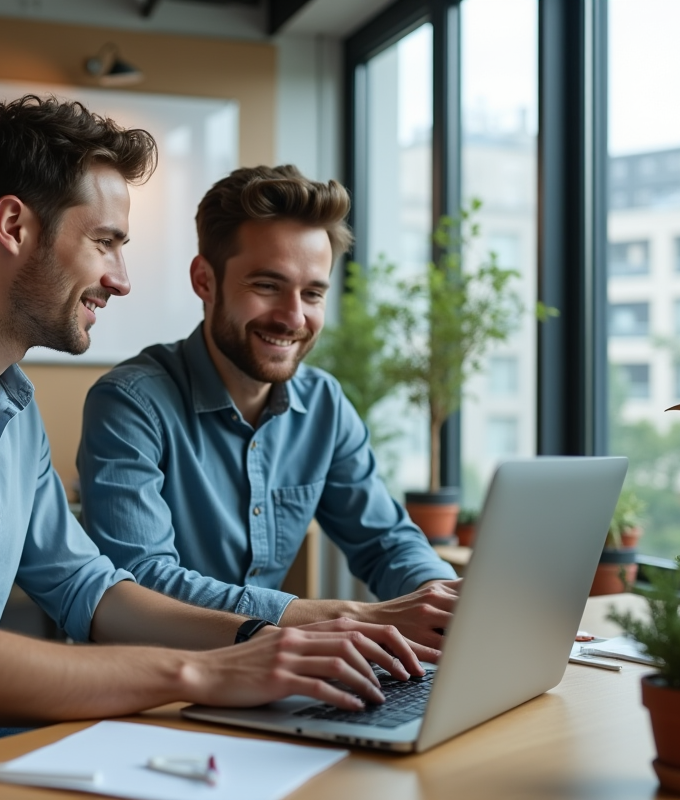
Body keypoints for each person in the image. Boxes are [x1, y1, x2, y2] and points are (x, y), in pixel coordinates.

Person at [0, 99, 438, 785]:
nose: (122, 280)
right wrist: (206, 670)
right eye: (104, 242)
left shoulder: (9, 404)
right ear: (14, 225)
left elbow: (89, 590)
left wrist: (263, 643)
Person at [76, 164, 461, 650]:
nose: (294, 317)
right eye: (267, 286)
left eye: (313, 293)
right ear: (205, 281)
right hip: (153, 688)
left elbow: (385, 541)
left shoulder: (324, 404)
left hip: (269, 680)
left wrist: (444, 599)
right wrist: (352, 616)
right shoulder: (131, 403)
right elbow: (142, 580)